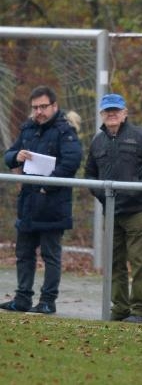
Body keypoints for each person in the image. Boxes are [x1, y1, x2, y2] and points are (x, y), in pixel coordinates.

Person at [84, 93, 142, 324]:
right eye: (107, 110)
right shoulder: (97, 142)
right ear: (101, 114)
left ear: (125, 113)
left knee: (140, 263)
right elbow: (89, 175)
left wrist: (138, 187)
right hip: (110, 212)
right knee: (114, 264)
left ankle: (139, 310)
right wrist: (102, 195)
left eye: (116, 110)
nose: (112, 114)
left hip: (139, 211)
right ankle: (120, 308)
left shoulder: (141, 137)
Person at [1, 85, 82, 314]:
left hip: (53, 204)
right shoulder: (27, 129)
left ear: (54, 106)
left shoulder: (65, 131)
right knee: (23, 254)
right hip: (27, 204)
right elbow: (8, 156)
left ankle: (47, 300)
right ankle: (22, 298)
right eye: (35, 107)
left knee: (50, 255)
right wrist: (16, 156)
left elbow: (72, 162)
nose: (39, 111)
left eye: (43, 107)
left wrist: (48, 184)